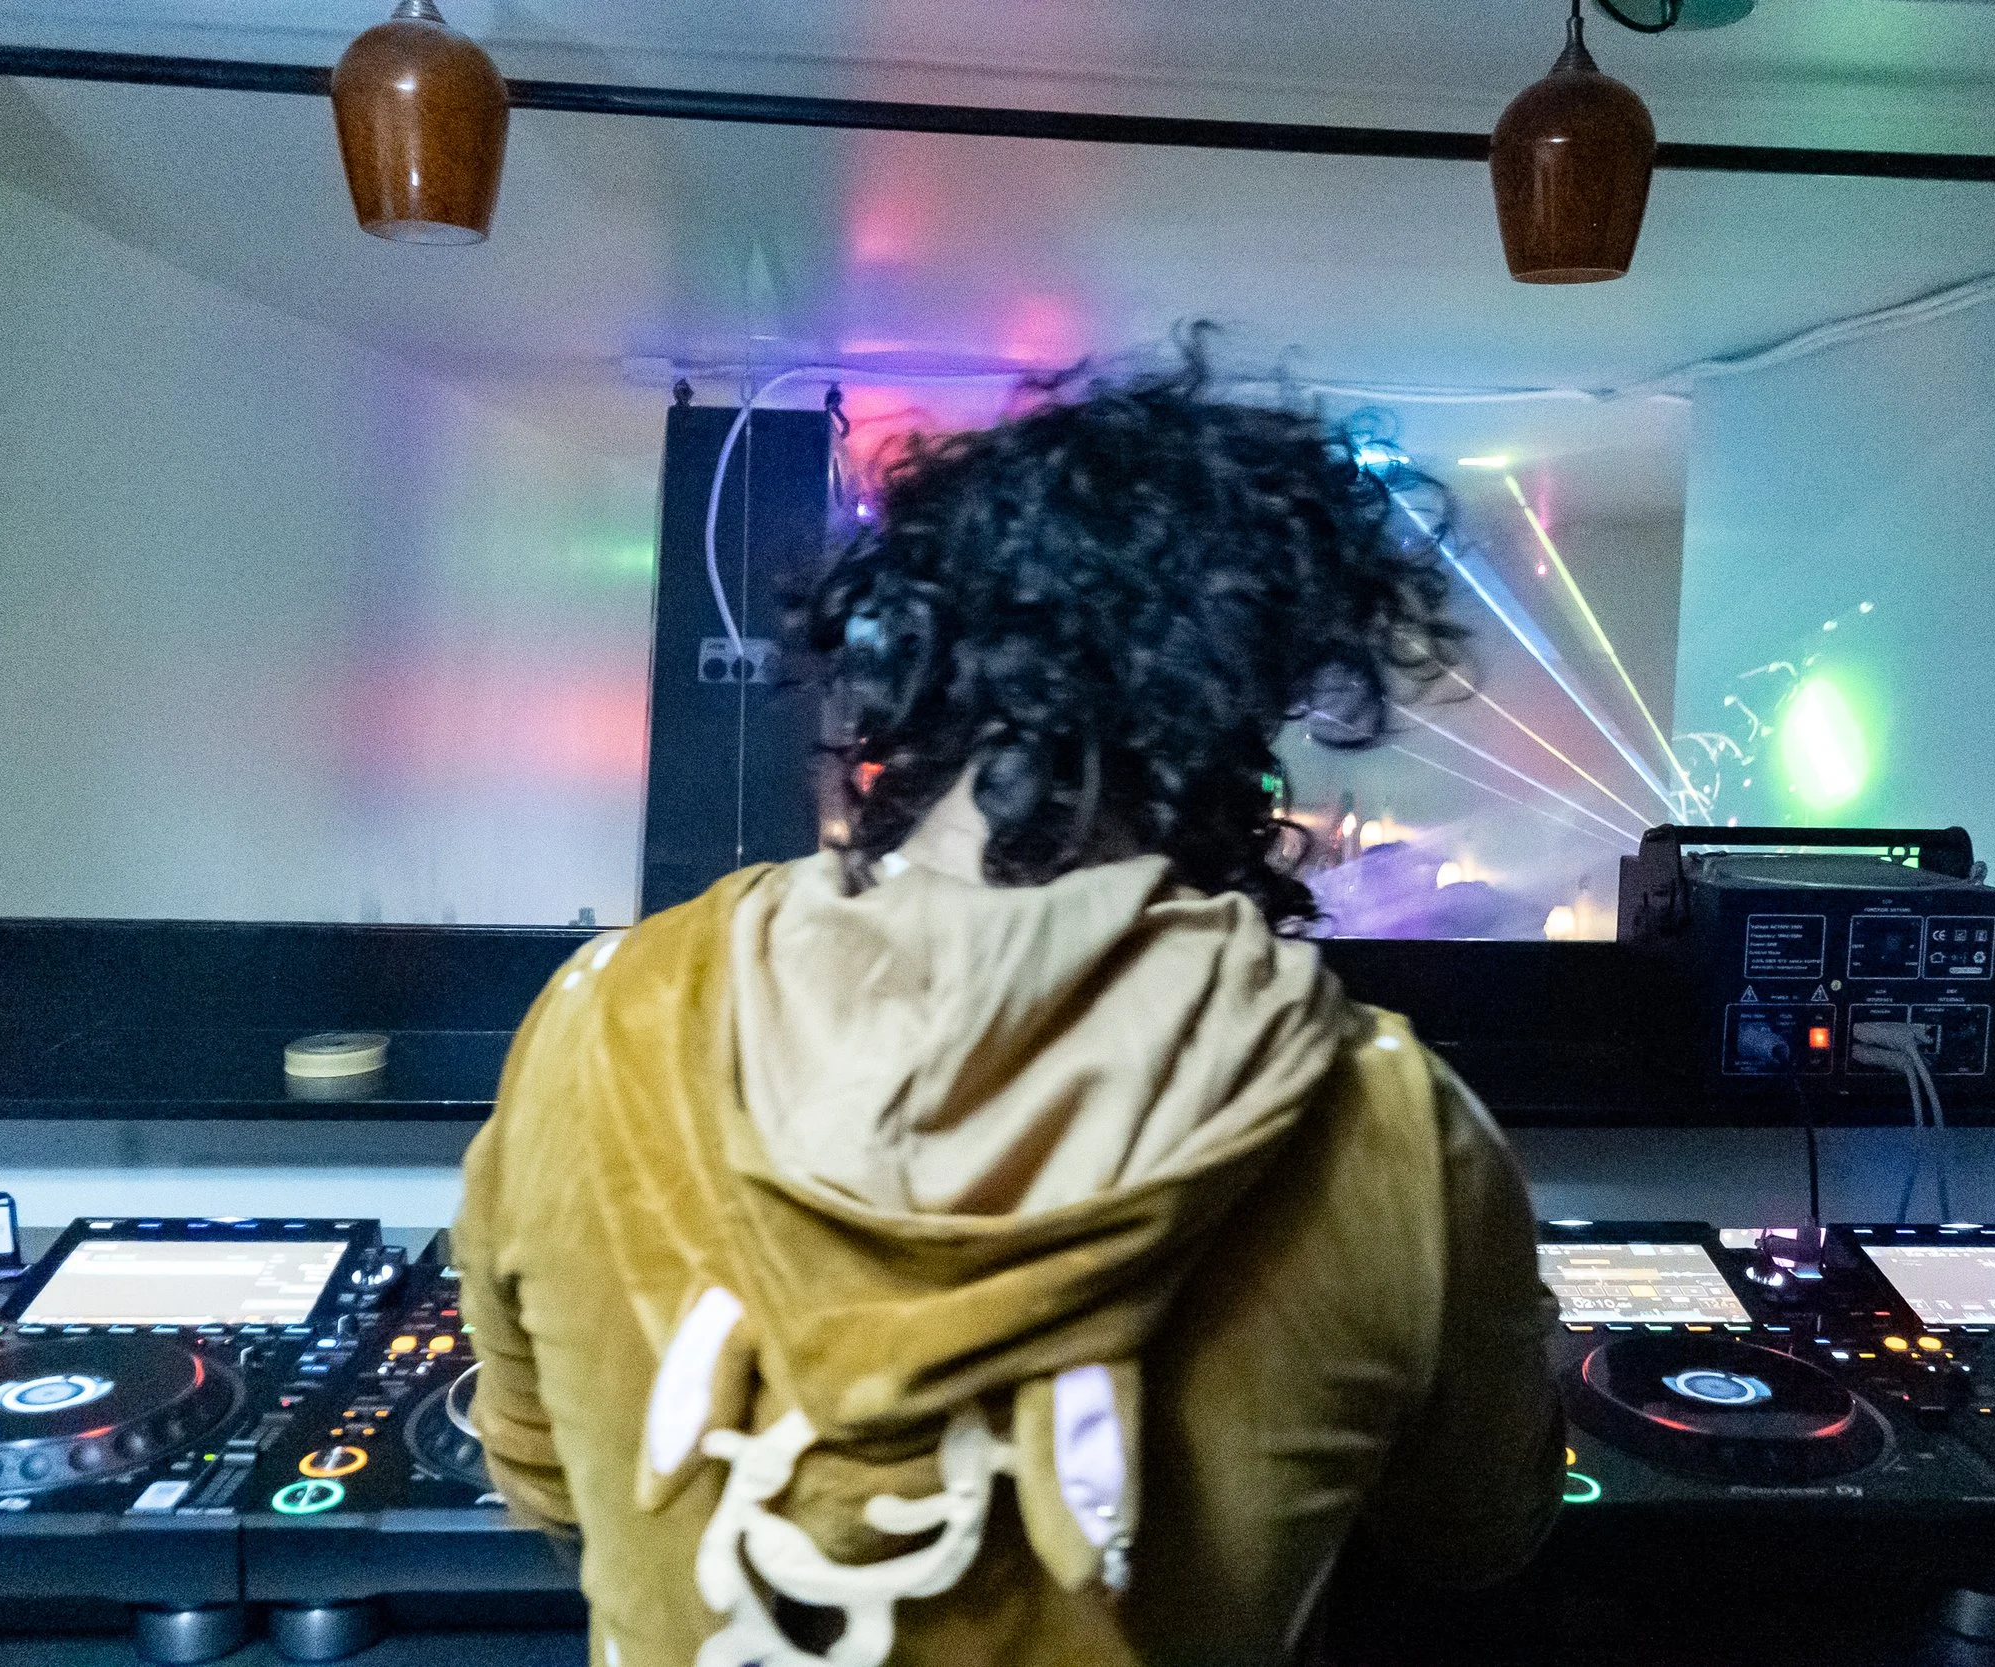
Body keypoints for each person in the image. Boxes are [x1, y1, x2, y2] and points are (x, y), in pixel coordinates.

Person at [453, 345, 1563, 1667]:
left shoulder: (597, 1014)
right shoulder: (1389, 1126)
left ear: (920, 673)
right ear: (1239, 713)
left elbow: (542, 1475)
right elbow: (1480, 1529)